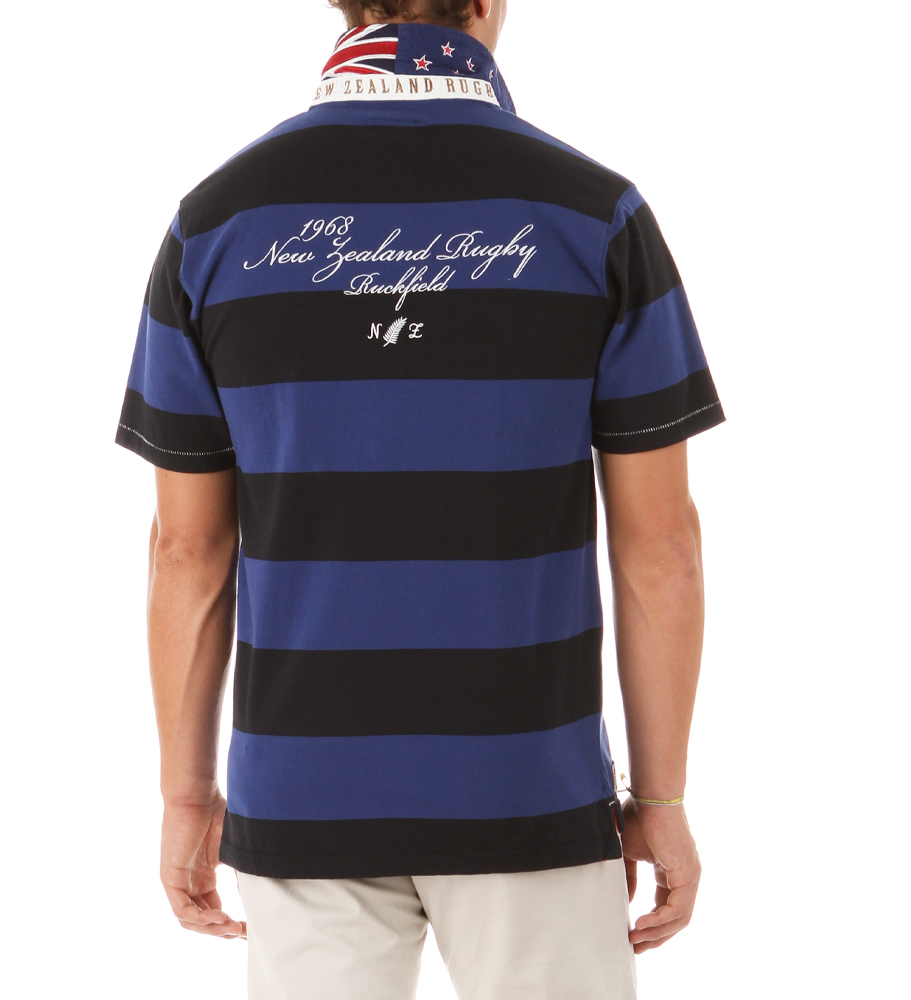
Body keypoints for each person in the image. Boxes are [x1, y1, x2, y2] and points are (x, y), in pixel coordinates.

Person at [115, 1, 724, 996]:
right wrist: (658, 799)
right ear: (484, 3)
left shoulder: (215, 224)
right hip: (527, 791)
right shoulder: (594, 215)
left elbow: (187, 554)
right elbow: (663, 551)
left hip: (304, 795)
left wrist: (187, 798)